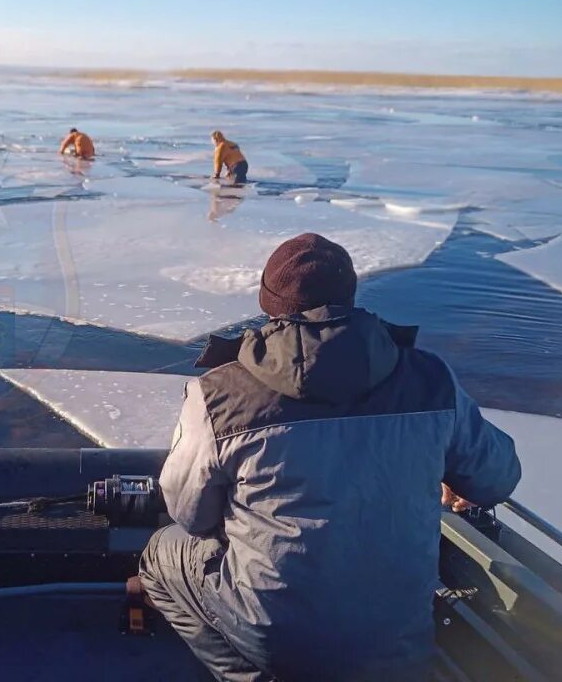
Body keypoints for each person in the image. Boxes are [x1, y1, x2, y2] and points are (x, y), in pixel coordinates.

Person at [139, 233, 521, 682]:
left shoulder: (219, 394)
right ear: (351, 295)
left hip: (276, 634)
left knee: (160, 554)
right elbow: (497, 477)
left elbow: (189, 514)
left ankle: (250, 676)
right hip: (398, 636)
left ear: (269, 304)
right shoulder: (431, 378)